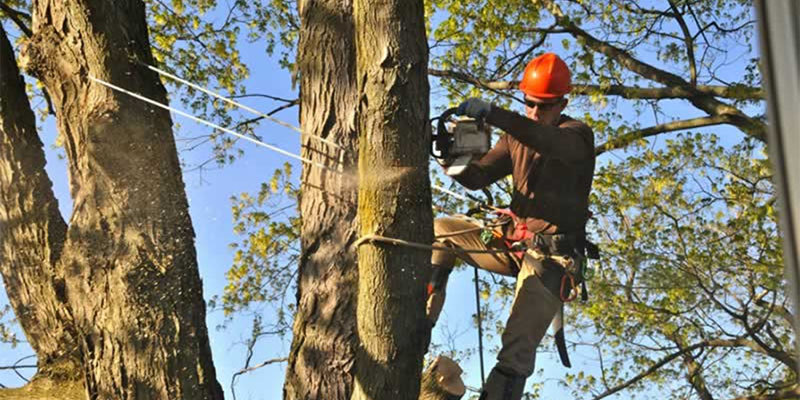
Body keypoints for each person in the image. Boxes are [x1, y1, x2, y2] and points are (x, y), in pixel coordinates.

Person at [428, 53, 596, 400]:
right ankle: (420, 325)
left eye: (544, 106)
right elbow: (477, 177)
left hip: (552, 260)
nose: (534, 111)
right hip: (511, 243)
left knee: (516, 350)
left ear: (562, 103)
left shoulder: (576, 136)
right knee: (441, 229)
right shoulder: (516, 138)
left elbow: (546, 141)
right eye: (529, 104)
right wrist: (451, 157)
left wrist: (496, 115)